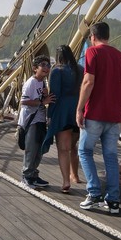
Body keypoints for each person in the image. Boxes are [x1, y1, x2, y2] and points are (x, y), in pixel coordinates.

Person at [76, 21, 121, 215]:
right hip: (115, 115)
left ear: (92, 37)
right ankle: (113, 200)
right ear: (108, 35)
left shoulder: (93, 53)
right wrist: (120, 108)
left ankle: (93, 193)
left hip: (95, 114)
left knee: (84, 151)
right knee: (110, 157)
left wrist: (79, 108)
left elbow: (88, 82)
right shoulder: (120, 56)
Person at [43, 44, 83, 192]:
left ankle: (66, 181)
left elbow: (54, 96)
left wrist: (50, 115)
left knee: (63, 148)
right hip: (77, 110)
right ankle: (75, 175)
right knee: (73, 147)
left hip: (62, 111)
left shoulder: (57, 71)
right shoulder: (80, 69)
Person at [19, 55, 54, 189]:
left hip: (40, 119)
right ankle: (26, 175)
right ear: (35, 68)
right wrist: (42, 102)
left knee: (39, 150)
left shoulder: (43, 82)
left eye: (48, 65)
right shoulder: (31, 83)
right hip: (31, 120)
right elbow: (24, 101)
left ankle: (33, 174)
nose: (47, 67)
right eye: (43, 65)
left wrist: (45, 95)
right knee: (31, 148)